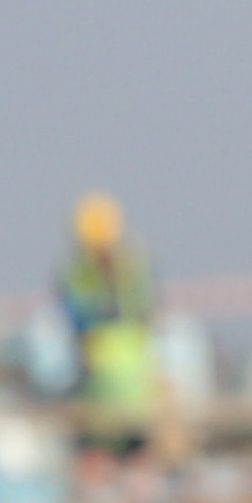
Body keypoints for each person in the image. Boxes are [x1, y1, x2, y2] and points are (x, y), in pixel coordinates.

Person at [57, 195, 162, 458]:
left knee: (130, 443)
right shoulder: (82, 271)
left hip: (128, 371)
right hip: (107, 371)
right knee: (103, 441)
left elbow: (145, 309)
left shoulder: (125, 266)